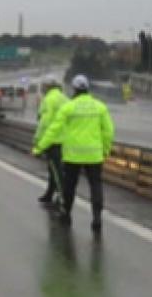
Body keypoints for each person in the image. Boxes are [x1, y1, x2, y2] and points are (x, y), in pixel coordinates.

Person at [33, 75, 115, 231]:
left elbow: (52, 130)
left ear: (74, 89)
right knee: (96, 186)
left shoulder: (68, 108)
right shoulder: (100, 107)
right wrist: (105, 149)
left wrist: (39, 147)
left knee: (70, 186)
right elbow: (109, 131)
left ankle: (66, 213)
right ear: (88, 88)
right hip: (94, 155)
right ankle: (97, 218)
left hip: (73, 155)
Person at [33, 76, 68, 207]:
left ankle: (62, 196)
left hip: (53, 140)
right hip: (66, 140)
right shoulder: (64, 98)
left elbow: (44, 122)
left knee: (55, 169)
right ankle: (50, 193)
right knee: (55, 168)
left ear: (47, 87)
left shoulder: (48, 100)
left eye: (43, 86)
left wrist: (37, 140)